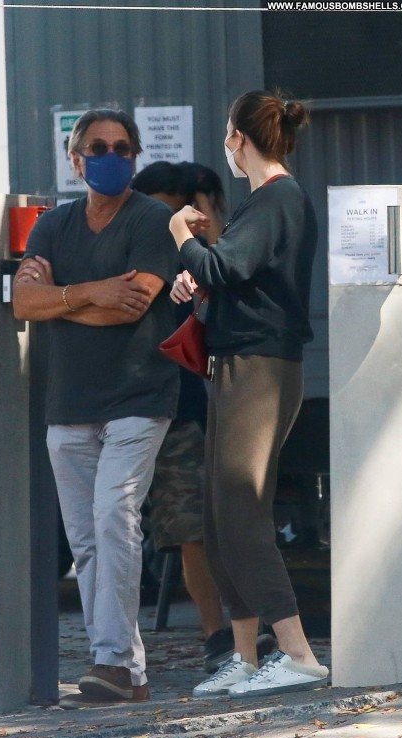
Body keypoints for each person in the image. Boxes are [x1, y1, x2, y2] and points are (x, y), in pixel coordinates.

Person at [12, 108, 180, 703]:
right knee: (85, 542)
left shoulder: (152, 219)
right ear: (74, 158)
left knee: (115, 518)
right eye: (98, 147)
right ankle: (125, 670)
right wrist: (89, 293)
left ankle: (113, 662)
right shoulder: (53, 226)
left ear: (134, 155)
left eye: (122, 147)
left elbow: (133, 305)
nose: (111, 157)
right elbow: (23, 304)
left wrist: (58, 300)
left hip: (138, 396)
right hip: (68, 403)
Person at [168, 90, 330, 698]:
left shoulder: (277, 198)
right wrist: (198, 277)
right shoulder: (265, 202)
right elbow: (231, 276)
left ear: (238, 136)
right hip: (240, 365)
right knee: (220, 516)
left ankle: (298, 653)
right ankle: (244, 655)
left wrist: (181, 234)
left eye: (227, 134)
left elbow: (222, 268)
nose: (226, 145)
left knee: (240, 510)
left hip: (258, 368)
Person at [131, 160, 277, 673]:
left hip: (185, 405)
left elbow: (226, 280)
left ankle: (222, 636)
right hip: (131, 400)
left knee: (199, 525)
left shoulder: (199, 255)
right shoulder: (136, 245)